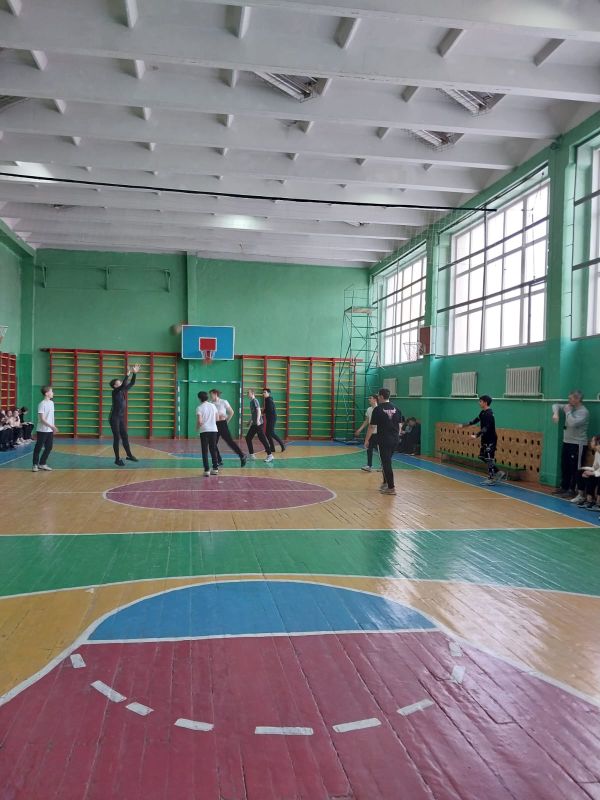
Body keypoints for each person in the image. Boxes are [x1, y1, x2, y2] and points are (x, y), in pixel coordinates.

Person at [551, 390, 589, 497]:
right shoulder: (570, 407)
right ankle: (564, 487)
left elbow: (572, 423)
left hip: (577, 444)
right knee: (565, 465)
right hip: (567, 442)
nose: (568, 400)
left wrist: (567, 412)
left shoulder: (583, 412)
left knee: (575, 468)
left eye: (570, 398)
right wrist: (556, 414)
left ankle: (573, 489)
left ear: (577, 399)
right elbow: (555, 405)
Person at [461, 395, 506, 485]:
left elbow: (486, 427)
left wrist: (476, 435)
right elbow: (474, 421)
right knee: (482, 456)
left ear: (485, 402)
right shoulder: (482, 413)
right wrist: (463, 425)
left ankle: (492, 478)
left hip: (491, 439)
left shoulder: (489, 414)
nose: (479, 403)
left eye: (480, 401)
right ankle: (499, 472)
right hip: (484, 439)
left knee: (489, 458)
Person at [365, 388, 402, 495]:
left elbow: (372, 426)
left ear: (381, 396)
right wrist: (396, 436)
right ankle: (386, 483)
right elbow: (400, 425)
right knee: (386, 462)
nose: (377, 397)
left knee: (386, 463)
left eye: (378, 396)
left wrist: (367, 439)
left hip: (384, 440)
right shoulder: (397, 408)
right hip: (395, 440)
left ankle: (391, 487)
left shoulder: (378, 409)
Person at [109, 364, 140, 467]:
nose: (121, 383)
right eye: (119, 382)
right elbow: (123, 385)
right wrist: (128, 373)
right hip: (114, 418)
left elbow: (132, 383)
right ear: (115, 386)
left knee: (125, 436)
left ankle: (129, 455)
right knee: (117, 438)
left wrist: (134, 373)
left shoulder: (123, 390)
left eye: (120, 381)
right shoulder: (115, 392)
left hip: (121, 418)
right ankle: (117, 459)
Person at [209, 388, 247, 468]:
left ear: (215, 394)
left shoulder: (223, 402)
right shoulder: (210, 403)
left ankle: (242, 455)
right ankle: (219, 460)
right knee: (212, 444)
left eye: (211, 394)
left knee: (229, 441)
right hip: (214, 425)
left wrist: (226, 421)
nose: (210, 396)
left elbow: (231, 412)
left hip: (222, 424)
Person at [32, 385, 58, 472]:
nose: (53, 393)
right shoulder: (42, 404)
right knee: (38, 447)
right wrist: (51, 426)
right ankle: (35, 465)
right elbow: (42, 419)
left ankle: (42, 463)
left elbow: (52, 416)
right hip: (42, 430)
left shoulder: (52, 403)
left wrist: (53, 427)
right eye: (51, 391)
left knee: (49, 447)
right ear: (47, 393)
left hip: (50, 430)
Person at [571, 434, 600, 510]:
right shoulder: (597, 453)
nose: (590, 442)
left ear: (597, 442)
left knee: (593, 476)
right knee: (581, 472)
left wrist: (592, 473)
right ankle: (585, 498)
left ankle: (598, 503)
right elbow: (595, 467)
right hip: (598, 473)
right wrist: (585, 469)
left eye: (592, 441)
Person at [245, 389, 273, 462]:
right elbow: (253, 413)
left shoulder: (255, 400)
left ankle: (270, 455)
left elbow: (259, 411)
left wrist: (257, 420)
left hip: (258, 424)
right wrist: (250, 421)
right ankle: (252, 455)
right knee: (248, 438)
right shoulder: (251, 402)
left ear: (252, 393)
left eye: (248, 392)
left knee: (262, 438)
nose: (247, 394)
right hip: (254, 424)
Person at [196, 391, 219, 477]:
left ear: (199, 398)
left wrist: (197, 428)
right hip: (214, 430)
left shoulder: (199, 408)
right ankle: (215, 468)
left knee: (204, 450)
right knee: (213, 449)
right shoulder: (213, 406)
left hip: (204, 431)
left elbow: (199, 421)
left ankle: (206, 470)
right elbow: (217, 418)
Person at [356, 394, 379, 472]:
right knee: (369, 449)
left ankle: (383, 466)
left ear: (375, 399)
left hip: (378, 433)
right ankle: (369, 466)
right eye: (369, 398)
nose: (369, 399)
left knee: (380, 451)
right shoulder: (369, 409)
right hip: (371, 433)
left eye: (370, 398)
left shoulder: (379, 409)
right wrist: (360, 429)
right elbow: (366, 421)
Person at [262, 388, 286, 453]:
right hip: (270, 418)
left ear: (268, 393)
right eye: (263, 392)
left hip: (272, 418)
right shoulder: (267, 399)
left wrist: (263, 411)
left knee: (271, 433)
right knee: (267, 433)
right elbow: (268, 408)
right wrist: (264, 411)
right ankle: (272, 448)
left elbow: (269, 409)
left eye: (265, 392)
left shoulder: (269, 400)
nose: (263, 393)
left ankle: (282, 445)